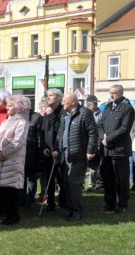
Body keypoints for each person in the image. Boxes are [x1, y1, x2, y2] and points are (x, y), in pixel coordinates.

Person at [53, 92, 98, 221]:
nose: (62, 104)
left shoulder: (84, 113)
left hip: (78, 154)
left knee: (74, 182)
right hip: (65, 154)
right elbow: (60, 133)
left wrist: (90, 151)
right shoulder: (65, 115)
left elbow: (93, 133)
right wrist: (56, 148)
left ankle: (77, 211)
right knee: (66, 183)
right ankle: (69, 209)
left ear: (73, 102)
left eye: (64, 101)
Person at [0, 95, 29, 225]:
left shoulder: (22, 123)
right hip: (2, 159)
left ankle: (13, 216)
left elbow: (18, 142)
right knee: (3, 189)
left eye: (11, 105)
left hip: (14, 160)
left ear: (19, 107)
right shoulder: (6, 121)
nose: (7, 107)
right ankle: (7, 214)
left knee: (12, 189)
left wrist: (3, 153)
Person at [99, 84, 134, 213]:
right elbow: (100, 124)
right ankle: (109, 203)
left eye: (113, 93)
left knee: (121, 179)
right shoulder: (107, 107)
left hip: (119, 150)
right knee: (108, 178)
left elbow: (124, 129)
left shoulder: (126, 108)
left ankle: (122, 204)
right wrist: (102, 137)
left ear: (120, 93)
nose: (111, 95)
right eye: (110, 92)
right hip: (106, 150)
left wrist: (109, 139)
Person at [38, 88, 65, 211]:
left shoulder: (62, 112)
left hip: (58, 151)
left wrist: (51, 115)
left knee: (61, 180)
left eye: (51, 95)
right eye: (47, 95)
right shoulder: (47, 113)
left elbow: (59, 129)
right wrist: (43, 147)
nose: (48, 97)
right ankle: (51, 204)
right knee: (49, 178)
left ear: (59, 98)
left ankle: (64, 204)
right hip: (47, 152)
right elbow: (42, 132)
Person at [85, 95, 103, 192]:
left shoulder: (100, 114)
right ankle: (81, 183)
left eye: (96, 103)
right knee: (83, 164)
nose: (96, 105)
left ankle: (92, 184)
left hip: (96, 142)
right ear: (89, 104)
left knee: (93, 164)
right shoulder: (83, 112)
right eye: (94, 103)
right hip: (84, 142)